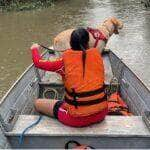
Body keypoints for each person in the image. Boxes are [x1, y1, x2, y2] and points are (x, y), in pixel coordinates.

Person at [31, 28, 108, 127]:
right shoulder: (97, 55)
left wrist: (34, 49)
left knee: (37, 103)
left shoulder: (63, 63)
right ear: (88, 42)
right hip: (101, 114)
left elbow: (38, 63)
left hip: (75, 119)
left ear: (71, 43)